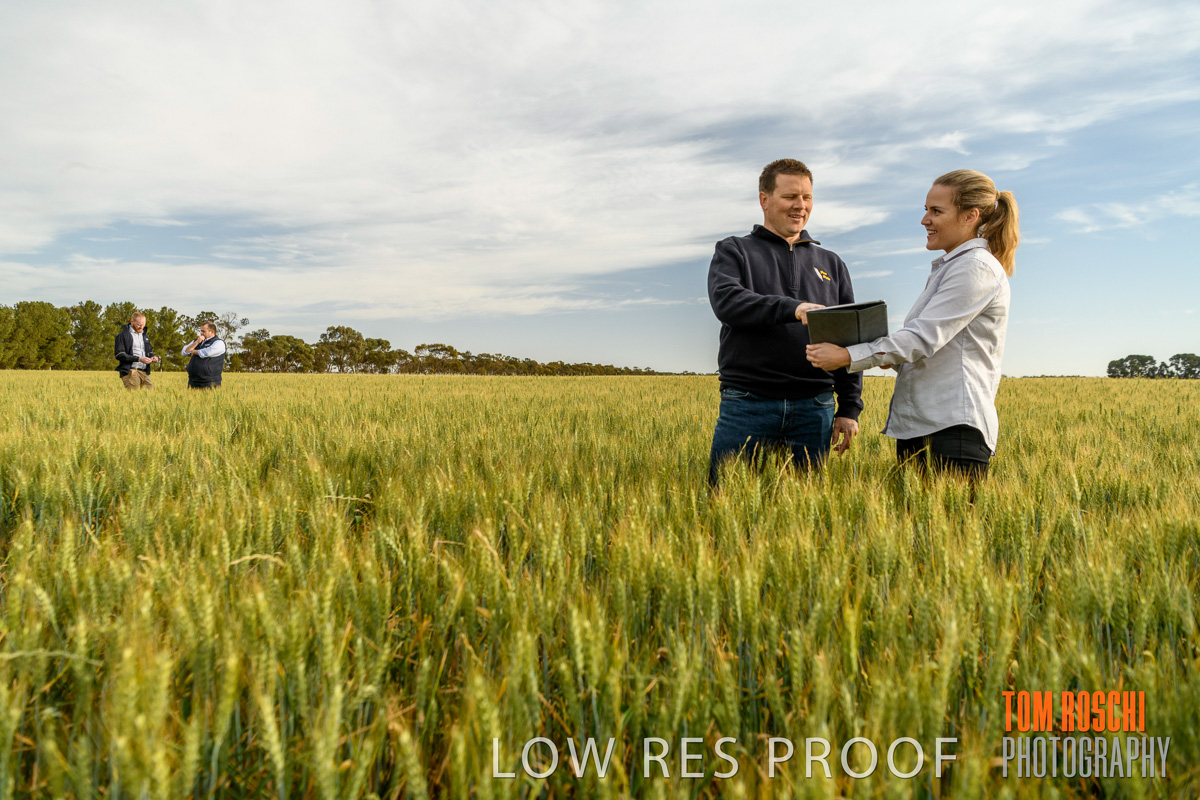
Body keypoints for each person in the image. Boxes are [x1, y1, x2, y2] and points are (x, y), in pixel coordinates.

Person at [806, 169, 1019, 481]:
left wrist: (848, 356)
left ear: (970, 216)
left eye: (936, 211)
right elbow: (936, 347)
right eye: (926, 210)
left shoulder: (975, 268)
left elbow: (922, 338)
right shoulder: (954, 267)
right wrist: (889, 357)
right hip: (927, 427)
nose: (925, 220)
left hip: (952, 431)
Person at [707, 158, 862, 486]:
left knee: (803, 511)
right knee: (728, 501)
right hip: (748, 403)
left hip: (815, 407)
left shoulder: (832, 263)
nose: (800, 206)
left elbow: (849, 337)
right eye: (790, 196)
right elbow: (727, 302)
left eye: (807, 197)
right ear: (764, 200)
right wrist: (793, 308)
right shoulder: (735, 251)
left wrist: (849, 407)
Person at [114, 311, 159, 389]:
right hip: (131, 371)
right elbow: (119, 354)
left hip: (144, 372)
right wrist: (138, 359)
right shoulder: (123, 335)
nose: (141, 327)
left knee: (150, 394)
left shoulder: (145, 335)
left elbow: (149, 351)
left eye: (143, 325)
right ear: (132, 322)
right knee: (133, 395)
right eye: (139, 325)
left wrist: (153, 357)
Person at [183, 322, 227, 389]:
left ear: (212, 331)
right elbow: (184, 352)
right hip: (193, 380)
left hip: (209, 381)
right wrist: (196, 342)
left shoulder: (219, 343)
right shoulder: (197, 341)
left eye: (203, 331)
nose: (201, 333)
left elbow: (207, 352)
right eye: (201, 331)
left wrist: (193, 351)